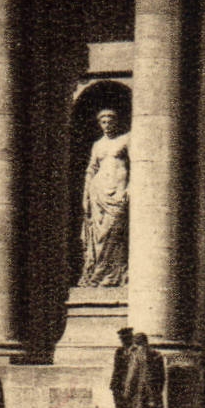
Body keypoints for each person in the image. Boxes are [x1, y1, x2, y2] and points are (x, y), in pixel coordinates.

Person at [80, 109, 131, 288]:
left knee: (115, 232)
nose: (107, 125)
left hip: (118, 191)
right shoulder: (98, 145)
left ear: (117, 121)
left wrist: (130, 188)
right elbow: (91, 169)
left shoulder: (126, 139)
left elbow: (136, 163)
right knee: (98, 236)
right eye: (103, 121)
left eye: (110, 121)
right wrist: (86, 195)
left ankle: (114, 275)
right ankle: (98, 274)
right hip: (98, 193)